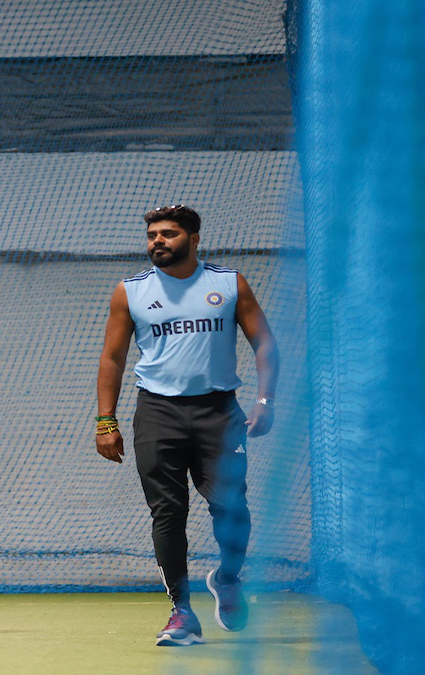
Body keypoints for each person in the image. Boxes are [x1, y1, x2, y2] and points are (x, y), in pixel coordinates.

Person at [94, 205, 279, 647]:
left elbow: (265, 342)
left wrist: (265, 401)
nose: (158, 241)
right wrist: (106, 421)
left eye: (169, 234)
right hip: (158, 413)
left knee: (232, 508)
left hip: (219, 412)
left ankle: (228, 578)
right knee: (168, 513)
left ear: (194, 239)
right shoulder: (130, 291)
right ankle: (181, 612)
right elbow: (113, 357)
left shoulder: (228, 284)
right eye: (153, 235)